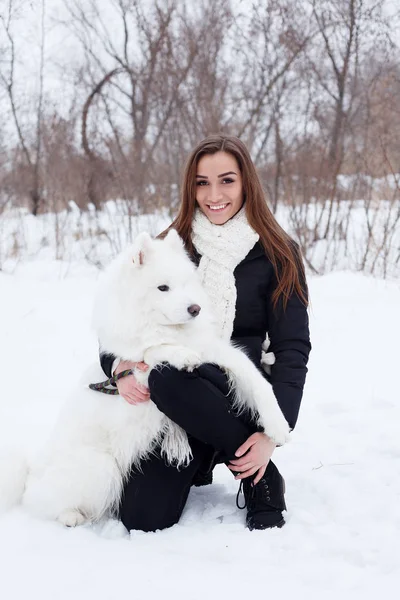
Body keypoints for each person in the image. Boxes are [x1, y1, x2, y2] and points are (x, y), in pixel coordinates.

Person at [100, 134, 311, 533]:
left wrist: (271, 433)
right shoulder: (172, 245)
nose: (214, 194)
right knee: (142, 518)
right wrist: (119, 367)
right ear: (190, 187)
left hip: (239, 396)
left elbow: (292, 349)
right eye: (202, 182)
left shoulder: (278, 252)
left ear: (246, 182)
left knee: (169, 374)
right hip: (174, 402)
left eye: (227, 180)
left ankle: (260, 476)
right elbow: (120, 314)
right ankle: (204, 451)